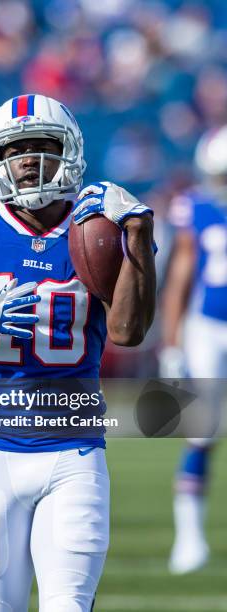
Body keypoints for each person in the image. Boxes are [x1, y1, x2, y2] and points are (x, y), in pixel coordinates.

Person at [0, 94, 156, 611]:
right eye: (17, 149)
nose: (30, 159)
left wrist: (139, 236)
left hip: (74, 449)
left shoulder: (100, 230)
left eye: (44, 146)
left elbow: (128, 333)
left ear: (72, 153)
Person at [160, 125, 227, 575]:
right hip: (209, 328)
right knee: (202, 432)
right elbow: (181, 276)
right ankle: (189, 540)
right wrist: (171, 341)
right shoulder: (197, 208)